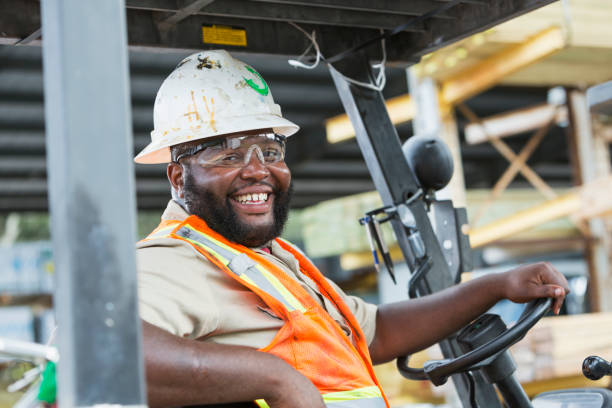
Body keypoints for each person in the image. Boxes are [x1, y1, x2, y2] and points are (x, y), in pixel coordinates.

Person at [134, 50, 569, 408]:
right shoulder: (171, 260)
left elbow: (376, 332)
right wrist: (276, 379)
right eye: (228, 156)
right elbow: (106, 348)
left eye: (269, 150)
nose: (257, 171)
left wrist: (495, 286)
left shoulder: (270, 261)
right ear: (177, 178)